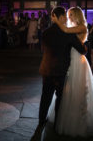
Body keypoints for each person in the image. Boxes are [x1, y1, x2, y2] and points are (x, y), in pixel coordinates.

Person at [49, 6, 93, 137]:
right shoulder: (73, 27)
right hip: (70, 59)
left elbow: (65, 29)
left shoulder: (82, 27)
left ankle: (79, 120)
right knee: (68, 89)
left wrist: (56, 20)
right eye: (68, 15)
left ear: (77, 15)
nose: (69, 18)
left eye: (71, 15)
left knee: (78, 90)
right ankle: (67, 116)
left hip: (78, 61)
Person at [33, 7, 87, 139]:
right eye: (65, 16)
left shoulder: (45, 33)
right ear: (61, 16)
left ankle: (41, 123)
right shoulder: (68, 33)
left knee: (45, 98)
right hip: (61, 72)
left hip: (46, 69)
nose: (66, 19)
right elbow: (82, 50)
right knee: (60, 99)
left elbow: (43, 49)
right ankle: (57, 124)